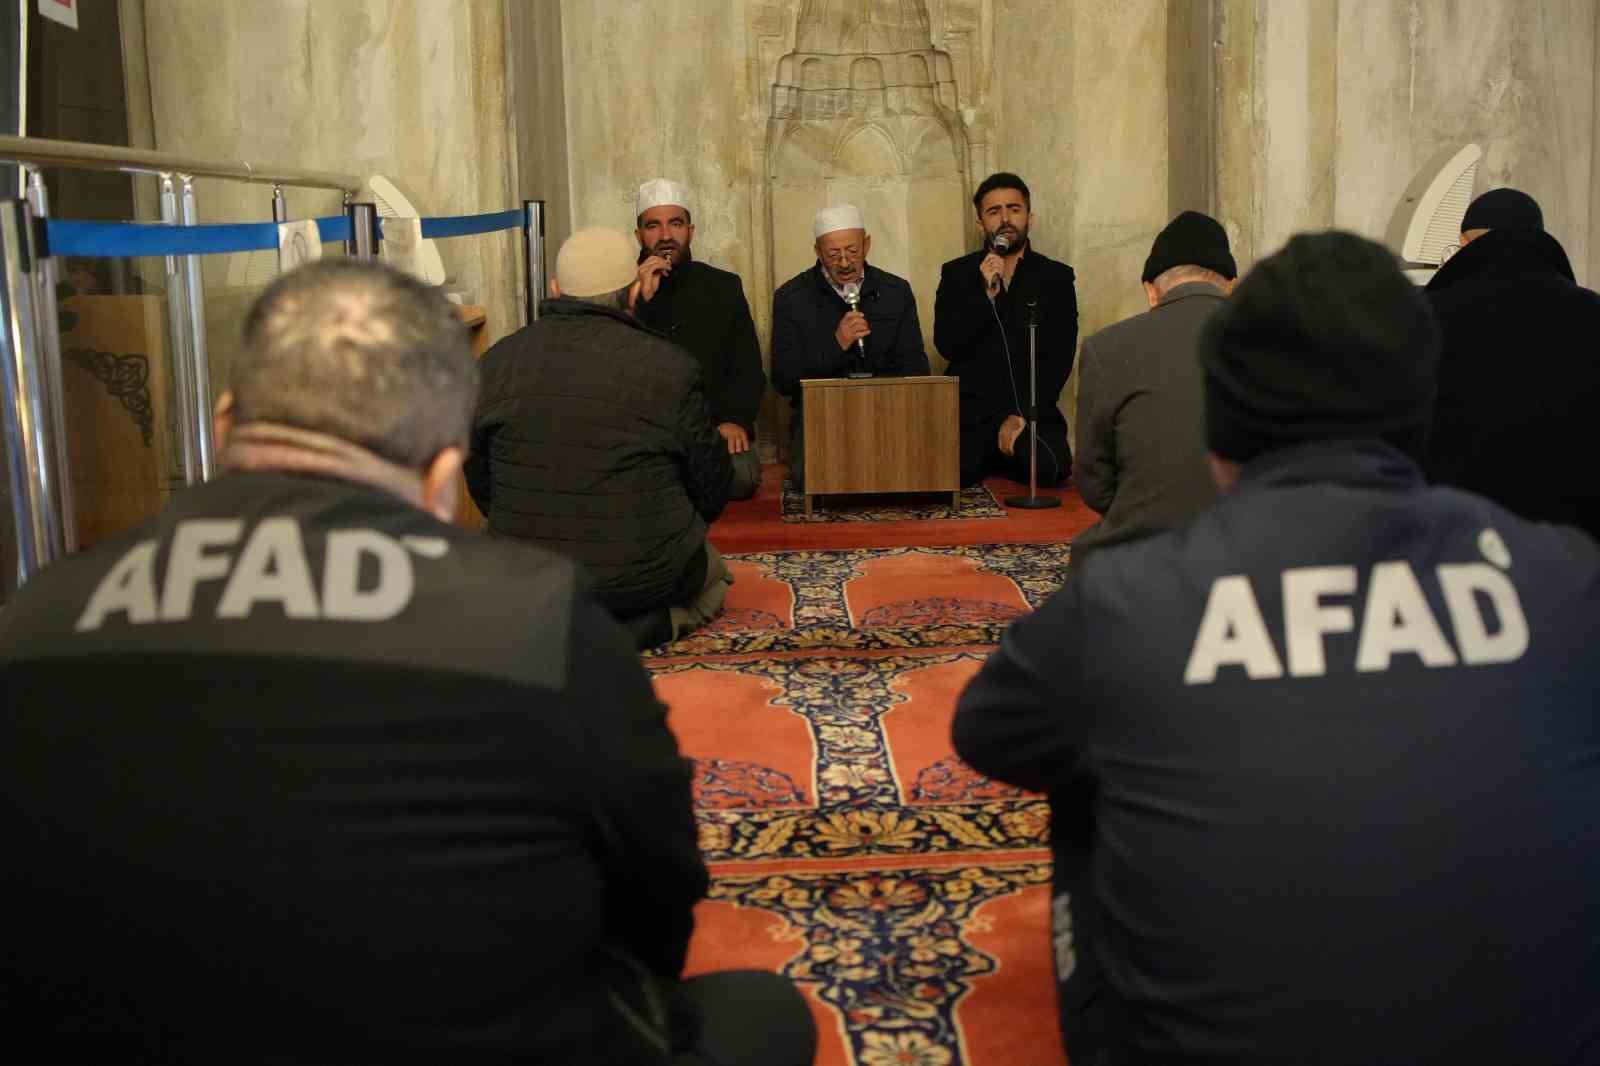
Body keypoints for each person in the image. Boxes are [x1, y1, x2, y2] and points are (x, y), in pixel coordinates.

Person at [0, 259, 816, 1066]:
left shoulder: (35, 619)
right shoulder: (532, 617)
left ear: (222, 425)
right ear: (440, 472)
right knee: (760, 1014)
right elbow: (655, 897)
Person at [953, 232, 1600, 1065]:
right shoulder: (1567, 578)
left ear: (1219, 427)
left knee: (1087, 777)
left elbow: (991, 731)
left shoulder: (1130, 601)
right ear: (1423, 408)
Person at [466, 227, 734, 649]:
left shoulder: (495, 362)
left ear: (555, 289)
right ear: (632, 293)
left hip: (529, 576)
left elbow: (482, 484)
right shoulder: (671, 366)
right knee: (717, 575)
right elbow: (713, 488)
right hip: (642, 581)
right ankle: (644, 628)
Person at [1424, 187, 1600, 539]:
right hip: (1573, 545)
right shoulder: (1592, 314)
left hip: (1456, 546)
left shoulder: (1424, 319)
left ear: (1464, 242)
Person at [1072, 211, 1235, 561]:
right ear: (1232, 286)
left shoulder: (1107, 348)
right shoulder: (1284, 347)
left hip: (1143, 558)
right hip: (1251, 563)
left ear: (1151, 292)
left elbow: (1093, 483)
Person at [770, 203, 930, 490]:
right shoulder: (791, 298)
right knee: (818, 476)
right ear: (818, 252)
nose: (844, 262)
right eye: (833, 254)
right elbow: (784, 379)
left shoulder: (896, 291)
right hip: (822, 419)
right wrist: (836, 344)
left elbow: (917, 369)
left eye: (852, 251)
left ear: (867, 245)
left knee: (918, 470)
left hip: (887, 413)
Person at [934, 172, 1077, 488]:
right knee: (945, 474)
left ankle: (1012, 448)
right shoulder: (956, 274)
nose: (1005, 219)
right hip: (973, 414)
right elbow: (947, 345)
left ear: (1029, 217)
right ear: (980, 224)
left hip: (1031, 413)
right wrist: (985, 296)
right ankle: (1000, 452)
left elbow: (1061, 357)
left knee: (1052, 469)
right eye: (994, 211)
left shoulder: (1056, 277)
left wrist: (1022, 416)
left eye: (1014, 209)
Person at [632, 178, 768, 500]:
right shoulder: (622, 293)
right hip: (646, 434)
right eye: (654, 226)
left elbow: (747, 367)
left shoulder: (723, 287)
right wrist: (640, 302)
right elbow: (614, 372)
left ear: (690, 231)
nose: (666, 236)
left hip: (712, 429)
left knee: (740, 477)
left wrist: (734, 420)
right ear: (639, 235)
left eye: (675, 223)